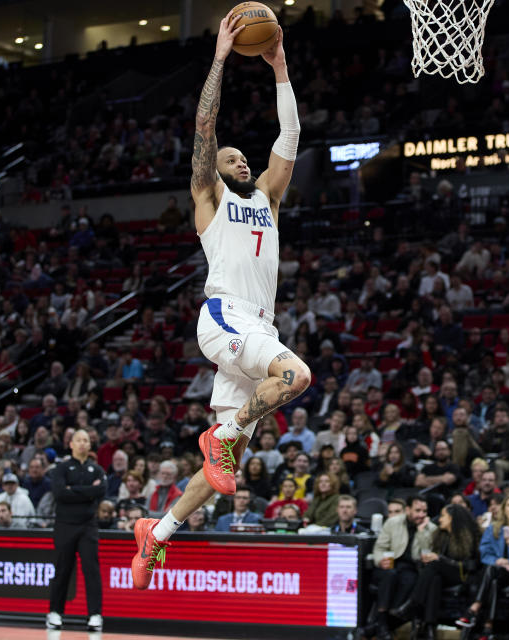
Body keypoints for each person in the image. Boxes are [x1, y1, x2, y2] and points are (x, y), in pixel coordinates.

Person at [130, 12, 310, 590]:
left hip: (259, 325)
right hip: (224, 315)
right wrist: (220, 59)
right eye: (231, 158)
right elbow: (205, 127)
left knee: (216, 475)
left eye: (242, 159)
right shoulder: (210, 198)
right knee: (296, 376)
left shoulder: (267, 199)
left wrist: (280, 68)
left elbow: (290, 138)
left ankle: (156, 534)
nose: (241, 160)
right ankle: (223, 439)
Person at [46, 428, 106, 631]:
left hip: (88, 526)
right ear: (71, 444)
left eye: (86, 440)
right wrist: (88, 492)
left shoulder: (96, 469)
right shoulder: (61, 468)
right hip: (64, 525)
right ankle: (55, 612)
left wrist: (75, 490)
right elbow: (60, 493)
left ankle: (95, 615)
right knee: (62, 569)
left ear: (90, 445)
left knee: (92, 570)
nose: (82, 443)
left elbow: (101, 491)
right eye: (78, 440)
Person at [395, 504, 480, 638]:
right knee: (435, 579)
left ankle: (413, 603)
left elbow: (471, 565)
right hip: (442, 575)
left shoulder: (468, 536)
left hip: (462, 574)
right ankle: (430, 627)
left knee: (435, 565)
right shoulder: (441, 535)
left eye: (443, 516)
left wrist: (441, 559)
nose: (440, 519)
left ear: (452, 518)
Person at [458, 495, 509, 636]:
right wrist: (499, 561)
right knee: (493, 579)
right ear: (504, 508)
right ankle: (488, 627)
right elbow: (484, 552)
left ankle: (474, 608)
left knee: (491, 572)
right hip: (497, 570)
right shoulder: (493, 528)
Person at [370, 496, 437, 640]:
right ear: (407, 510)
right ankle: (382, 623)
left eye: (424, 511)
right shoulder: (393, 522)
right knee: (389, 575)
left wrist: (421, 532)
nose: (421, 514)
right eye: (417, 510)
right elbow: (379, 547)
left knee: (409, 579)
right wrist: (380, 560)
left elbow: (426, 554)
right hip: (391, 564)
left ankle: (381, 626)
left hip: (412, 567)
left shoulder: (431, 528)